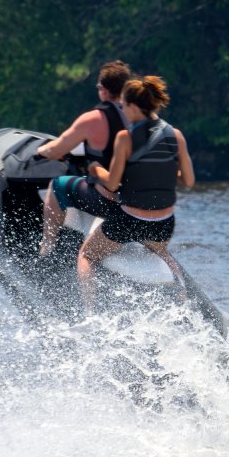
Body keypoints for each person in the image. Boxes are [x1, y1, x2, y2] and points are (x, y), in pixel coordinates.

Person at [76, 75, 194, 309]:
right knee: (163, 253)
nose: (122, 111)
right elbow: (187, 180)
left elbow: (112, 183)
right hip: (163, 222)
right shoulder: (175, 135)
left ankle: (89, 312)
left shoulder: (125, 137)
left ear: (133, 107)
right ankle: (184, 303)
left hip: (130, 220)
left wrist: (95, 168)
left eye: (123, 107)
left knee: (87, 255)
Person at [36, 60, 132, 256]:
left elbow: (56, 151)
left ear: (103, 90)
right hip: (136, 200)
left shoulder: (92, 119)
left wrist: (41, 150)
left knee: (57, 186)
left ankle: (47, 247)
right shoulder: (139, 116)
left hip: (106, 201)